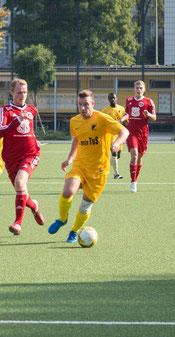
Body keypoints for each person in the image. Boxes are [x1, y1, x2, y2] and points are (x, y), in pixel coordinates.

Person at [48, 90, 129, 242]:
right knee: (67, 191)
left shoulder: (103, 119)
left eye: (86, 104)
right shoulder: (75, 121)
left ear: (92, 104)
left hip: (99, 170)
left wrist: (117, 143)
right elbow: (77, 140)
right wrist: (69, 159)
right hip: (81, 165)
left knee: (85, 206)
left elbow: (124, 131)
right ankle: (62, 219)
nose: (83, 108)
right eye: (80, 104)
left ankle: (74, 231)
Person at [0, 79, 44, 235]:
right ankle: (34, 207)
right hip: (10, 158)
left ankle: (18, 224)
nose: (22, 95)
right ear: (12, 93)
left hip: (30, 154)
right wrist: (18, 120)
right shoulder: (5, 110)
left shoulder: (32, 109)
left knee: (20, 182)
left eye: (25, 92)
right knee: (20, 189)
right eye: (19, 92)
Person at [126, 80, 156, 193]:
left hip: (143, 133)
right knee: (133, 156)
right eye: (137, 87)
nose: (138, 89)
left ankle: (135, 179)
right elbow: (126, 113)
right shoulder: (129, 100)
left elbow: (154, 118)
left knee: (139, 157)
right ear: (134, 89)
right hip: (131, 132)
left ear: (144, 89)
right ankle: (133, 182)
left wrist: (148, 115)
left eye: (140, 88)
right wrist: (122, 119)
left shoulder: (148, 101)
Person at [101, 92, 129, 179]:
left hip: (119, 134)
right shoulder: (105, 111)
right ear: (108, 99)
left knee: (118, 155)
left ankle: (103, 167)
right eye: (110, 98)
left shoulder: (121, 109)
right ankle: (116, 174)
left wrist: (129, 128)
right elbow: (102, 123)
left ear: (116, 98)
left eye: (114, 98)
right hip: (110, 135)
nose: (112, 99)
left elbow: (125, 120)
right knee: (114, 152)